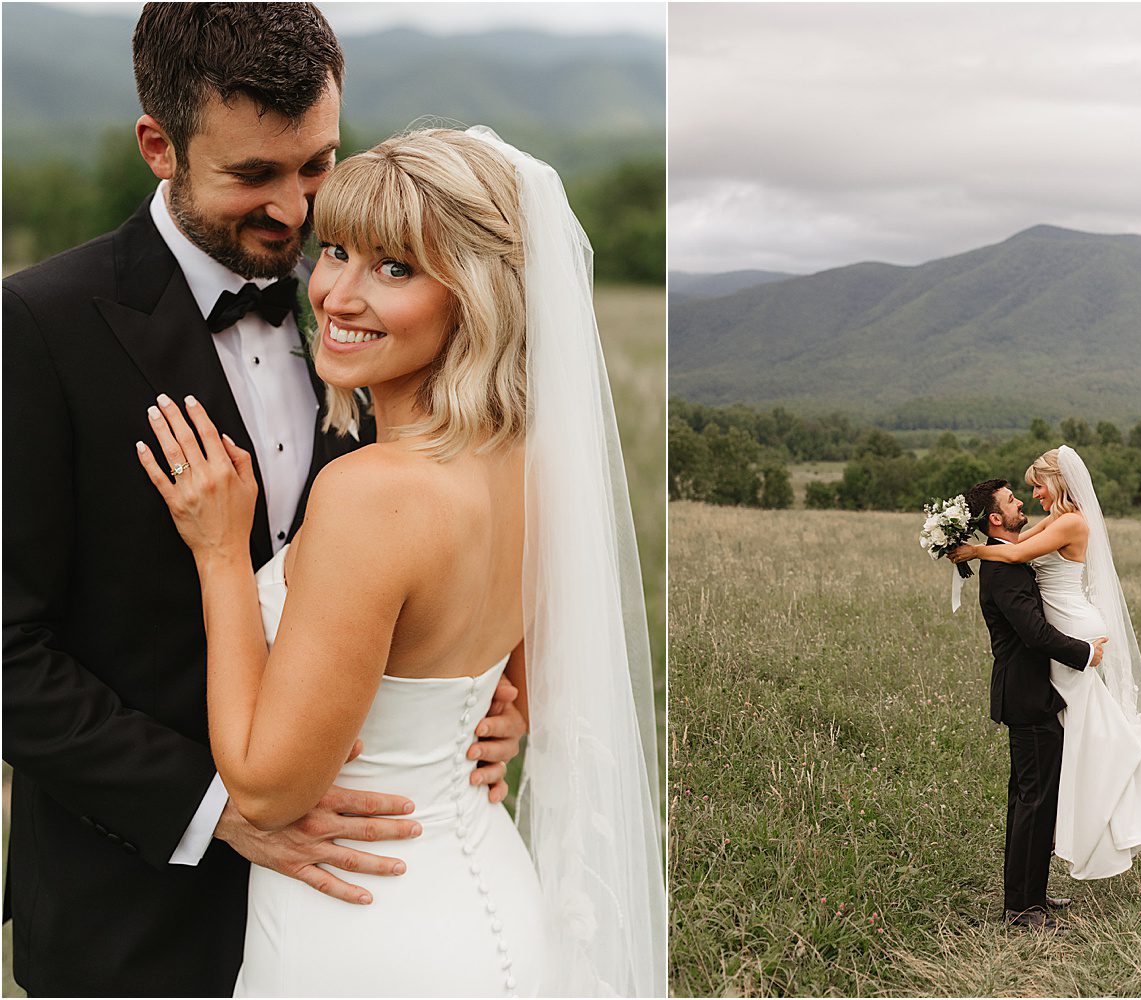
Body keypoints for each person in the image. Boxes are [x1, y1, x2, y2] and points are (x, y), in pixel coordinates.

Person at [0, 6, 521, 995]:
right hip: (138, 919)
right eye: (254, 177)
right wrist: (215, 806)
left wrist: (487, 702)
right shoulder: (37, 328)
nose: (296, 213)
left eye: (317, 165)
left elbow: (440, 554)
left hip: (368, 911)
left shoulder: (376, 312)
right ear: (160, 146)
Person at [135, 126, 663, 995]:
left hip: (362, 922)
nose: (336, 295)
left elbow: (267, 792)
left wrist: (223, 554)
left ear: (478, 298)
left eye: (394, 269)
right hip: (491, 884)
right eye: (335, 251)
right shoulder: (534, 463)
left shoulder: (370, 492)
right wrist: (493, 722)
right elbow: (510, 683)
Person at [953, 449, 1141, 897]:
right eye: (1021, 493)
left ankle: (1112, 801)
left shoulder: (1069, 523)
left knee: (1082, 749)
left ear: (1059, 482)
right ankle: (1033, 886)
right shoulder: (1052, 521)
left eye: (1036, 486)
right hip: (1060, 649)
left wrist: (972, 548)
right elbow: (1017, 550)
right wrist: (967, 537)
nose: (1030, 496)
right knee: (1061, 763)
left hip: (1072, 634)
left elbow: (1017, 555)